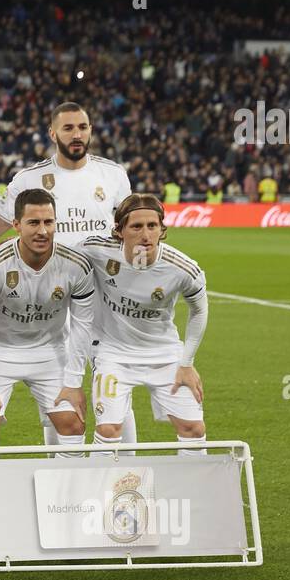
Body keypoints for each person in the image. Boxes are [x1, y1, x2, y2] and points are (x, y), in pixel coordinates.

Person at [0, 101, 133, 451]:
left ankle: (127, 469)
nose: (77, 134)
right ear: (53, 133)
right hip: (52, 303)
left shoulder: (113, 175)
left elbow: (128, 231)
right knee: (59, 398)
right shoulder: (29, 179)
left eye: (82, 127)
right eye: (68, 128)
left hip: (103, 301)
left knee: (115, 389)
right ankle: (59, 473)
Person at [0, 190, 95, 459]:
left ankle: (66, 496)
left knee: (73, 424)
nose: (42, 231)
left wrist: (73, 381)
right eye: (33, 223)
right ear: (16, 225)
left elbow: (83, 326)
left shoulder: (76, 266)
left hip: (50, 351)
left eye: (49, 222)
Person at [80, 194, 209, 454]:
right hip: (113, 354)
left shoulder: (183, 268)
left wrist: (186, 363)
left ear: (163, 229)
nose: (146, 235)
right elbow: (58, 257)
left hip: (165, 354)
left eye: (153, 226)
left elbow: (199, 311)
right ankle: (98, 491)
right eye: (136, 227)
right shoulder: (95, 250)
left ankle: (196, 492)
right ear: (118, 231)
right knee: (108, 430)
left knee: (194, 429)